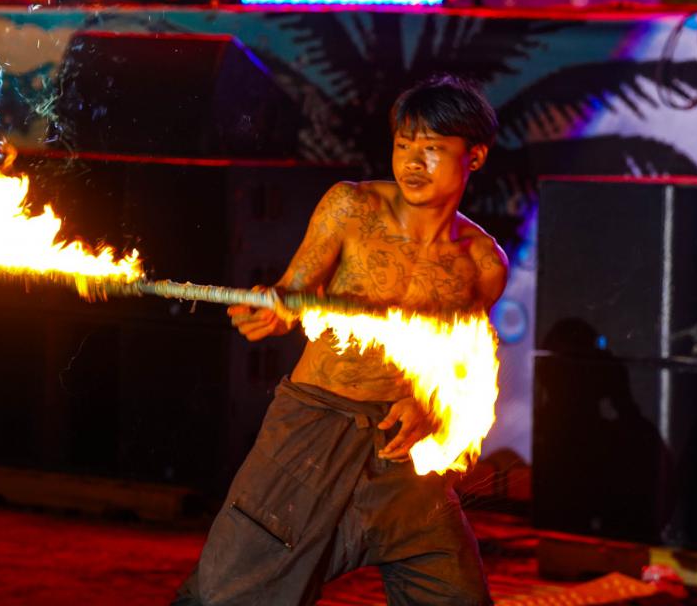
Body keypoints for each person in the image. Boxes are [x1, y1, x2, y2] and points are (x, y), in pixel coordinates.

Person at [173, 76, 508, 606]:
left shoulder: (483, 264)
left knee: (455, 597)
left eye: (433, 149)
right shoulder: (352, 207)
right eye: (403, 145)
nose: (412, 162)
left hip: (403, 455)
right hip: (312, 429)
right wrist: (273, 311)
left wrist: (429, 404)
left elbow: (462, 365)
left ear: (475, 156)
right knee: (233, 591)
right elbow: (293, 292)